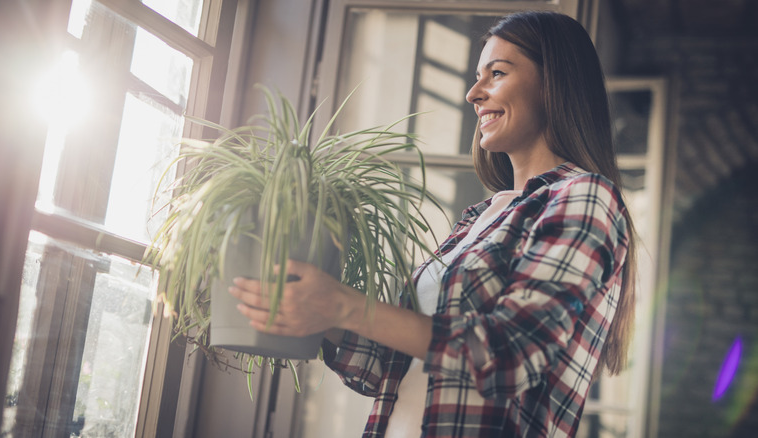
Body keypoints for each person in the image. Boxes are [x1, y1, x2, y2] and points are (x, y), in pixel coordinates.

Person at [230, 10, 636, 437]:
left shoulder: (585, 197)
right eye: (478, 76)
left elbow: (508, 354)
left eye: (496, 73)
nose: (473, 94)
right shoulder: (481, 217)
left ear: (554, 82)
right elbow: (392, 367)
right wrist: (316, 310)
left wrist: (343, 305)